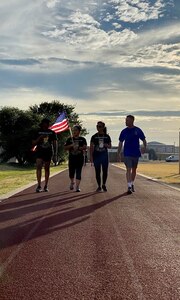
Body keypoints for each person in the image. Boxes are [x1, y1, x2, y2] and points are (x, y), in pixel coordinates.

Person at [117, 115, 147, 194]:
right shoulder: (124, 131)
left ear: (132, 121)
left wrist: (144, 147)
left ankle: (132, 183)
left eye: (127, 120)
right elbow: (120, 142)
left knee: (134, 169)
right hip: (127, 153)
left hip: (136, 153)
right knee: (128, 169)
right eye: (125, 120)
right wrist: (118, 153)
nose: (125, 122)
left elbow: (144, 140)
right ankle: (129, 186)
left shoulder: (137, 130)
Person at [32, 118, 58, 193]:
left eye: (48, 123)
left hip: (48, 152)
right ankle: (39, 185)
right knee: (38, 167)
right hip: (39, 151)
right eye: (45, 123)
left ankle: (46, 185)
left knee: (47, 168)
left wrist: (55, 154)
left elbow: (55, 143)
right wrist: (40, 137)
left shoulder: (52, 132)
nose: (47, 124)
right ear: (42, 123)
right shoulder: (37, 132)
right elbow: (33, 143)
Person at [64, 125, 87, 192]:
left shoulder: (82, 139)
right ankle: (72, 182)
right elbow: (65, 148)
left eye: (76, 130)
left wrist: (79, 147)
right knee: (71, 173)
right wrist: (71, 145)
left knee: (78, 172)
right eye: (73, 130)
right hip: (71, 158)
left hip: (79, 158)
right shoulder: (69, 139)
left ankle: (77, 187)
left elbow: (85, 147)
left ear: (79, 131)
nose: (74, 131)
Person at [90, 121, 112, 192]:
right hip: (96, 156)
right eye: (97, 126)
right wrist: (91, 157)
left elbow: (110, 146)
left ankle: (104, 184)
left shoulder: (107, 136)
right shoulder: (94, 136)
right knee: (97, 171)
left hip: (104, 156)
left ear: (103, 127)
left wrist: (106, 145)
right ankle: (99, 186)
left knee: (105, 171)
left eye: (99, 126)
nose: (98, 128)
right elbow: (91, 147)